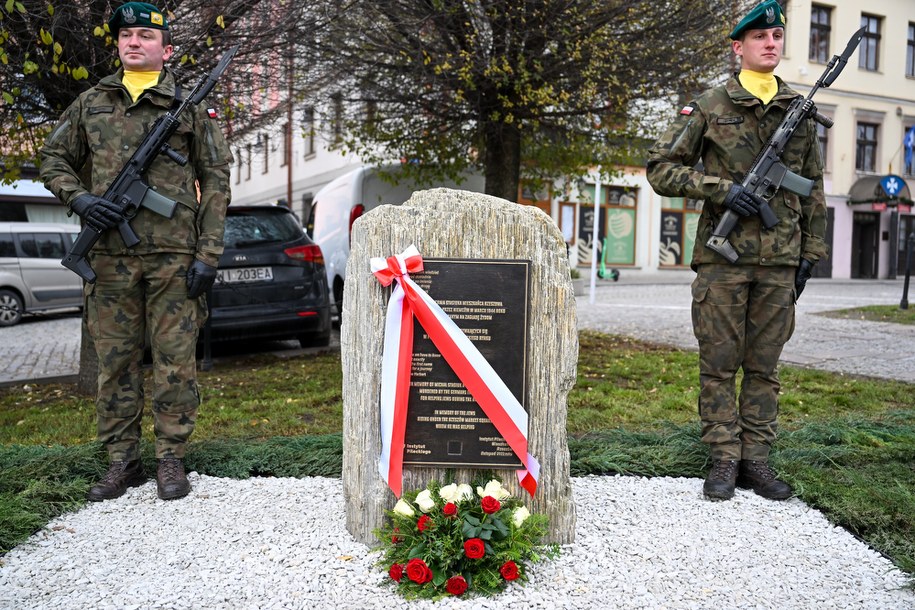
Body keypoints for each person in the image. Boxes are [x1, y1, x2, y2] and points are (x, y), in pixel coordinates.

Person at [40, 2, 233, 501]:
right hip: (108, 258)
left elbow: (214, 181)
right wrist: (80, 199)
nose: (133, 42)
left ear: (166, 49)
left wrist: (208, 254)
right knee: (115, 363)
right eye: (126, 34)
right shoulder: (90, 103)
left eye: (145, 35)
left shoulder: (187, 109)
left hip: (174, 257)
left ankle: (171, 459)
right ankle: (121, 462)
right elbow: (53, 158)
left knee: (175, 361)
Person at [647, 0, 827, 501]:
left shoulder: (799, 109)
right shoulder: (711, 104)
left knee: (765, 366)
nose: (771, 43)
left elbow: (812, 185)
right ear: (739, 47)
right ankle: (724, 457)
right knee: (720, 363)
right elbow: (661, 168)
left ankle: (757, 461)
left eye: (776, 36)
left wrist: (813, 249)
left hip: (781, 257)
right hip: (723, 259)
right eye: (759, 37)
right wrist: (721, 190)